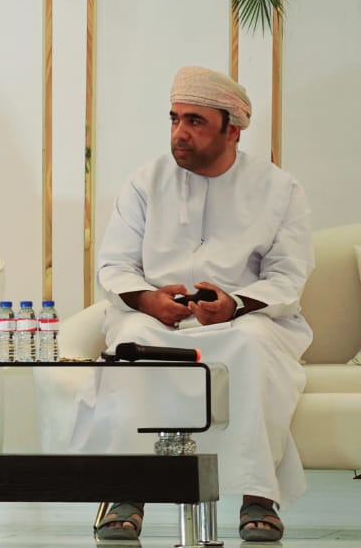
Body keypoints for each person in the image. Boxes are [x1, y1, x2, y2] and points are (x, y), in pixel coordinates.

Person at [76, 66, 313, 542]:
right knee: (132, 342)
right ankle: (128, 492)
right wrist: (148, 300)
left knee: (253, 344)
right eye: (175, 118)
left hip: (243, 321)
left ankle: (258, 496)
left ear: (233, 130)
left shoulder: (279, 189)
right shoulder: (145, 183)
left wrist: (235, 303)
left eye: (195, 121)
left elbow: (288, 275)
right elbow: (114, 265)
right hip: (156, 321)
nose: (180, 133)